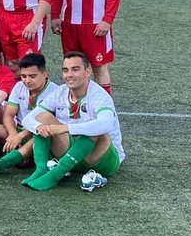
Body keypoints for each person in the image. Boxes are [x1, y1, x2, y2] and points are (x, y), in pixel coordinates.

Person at [20, 52, 125, 192]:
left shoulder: (99, 95)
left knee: (95, 128)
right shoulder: (60, 91)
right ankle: (40, 170)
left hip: (99, 160)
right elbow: (28, 119)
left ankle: (54, 176)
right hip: (72, 156)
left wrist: (65, 128)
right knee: (43, 117)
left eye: (75, 69)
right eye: (65, 70)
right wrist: (39, 127)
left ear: (88, 71)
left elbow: (105, 124)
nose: (69, 74)